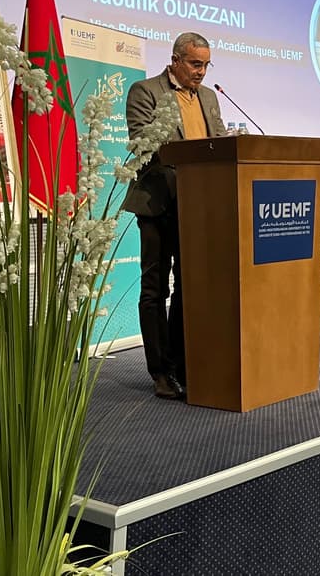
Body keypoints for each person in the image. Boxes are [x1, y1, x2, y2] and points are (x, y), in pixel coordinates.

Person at [123, 32, 227, 400]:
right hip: (158, 203)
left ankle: (183, 364)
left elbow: (220, 144)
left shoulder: (209, 97)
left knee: (188, 286)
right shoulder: (145, 91)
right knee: (155, 288)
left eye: (206, 64)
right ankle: (161, 372)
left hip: (198, 205)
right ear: (176, 60)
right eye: (195, 64)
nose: (201, 71)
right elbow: (141, 144)